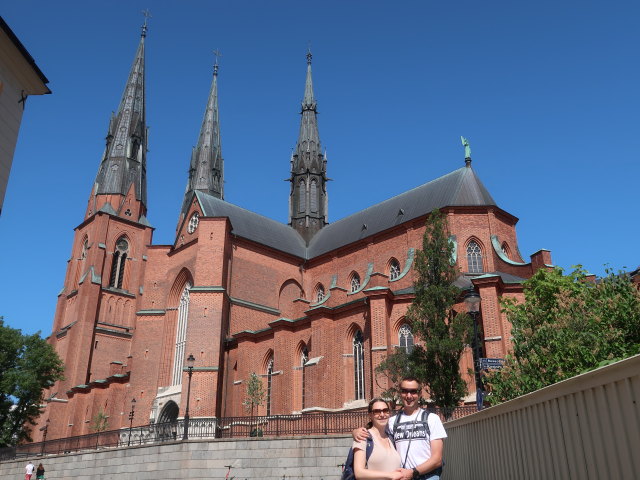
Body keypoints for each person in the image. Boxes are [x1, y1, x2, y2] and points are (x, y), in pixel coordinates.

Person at [354, 377, 447, 480]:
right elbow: (376, 429)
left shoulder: (432, 419)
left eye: (413, 391)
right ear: (400, 393)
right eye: (404, 391)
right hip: (402, 477)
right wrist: (355, 432)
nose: (408, 395)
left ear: (420, 394)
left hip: (427, 476)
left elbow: (437, 459)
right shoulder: (392, 421)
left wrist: (413, 472)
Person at [353, 398, 403, 480]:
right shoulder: (363, 436)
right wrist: (390, 475)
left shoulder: (391, 437)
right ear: (370, 415)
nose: (382, 414)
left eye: (385, 410)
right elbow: (359, 473)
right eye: (377, 411)